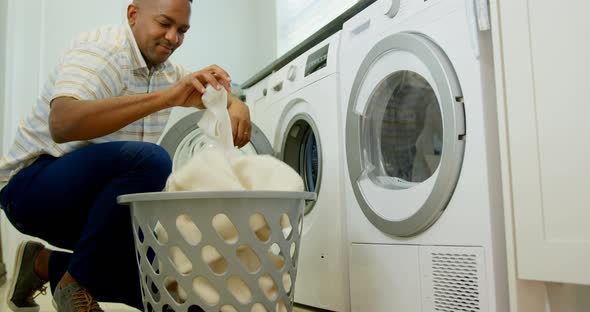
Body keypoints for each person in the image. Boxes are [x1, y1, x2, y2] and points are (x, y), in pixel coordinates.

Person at [0, 0, 251, 311]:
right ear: (133, 14)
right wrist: (165, 98)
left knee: (168, 290)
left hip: (98, 208)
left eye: (182, 30)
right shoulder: (102, 50)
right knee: (152, 160)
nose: (173, 37)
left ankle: (42, 264)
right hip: (29, 190)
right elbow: (62, 123)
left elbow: (220, 96)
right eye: (165, 23)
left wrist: (238, 105)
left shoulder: (167, 72)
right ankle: (73, 284)